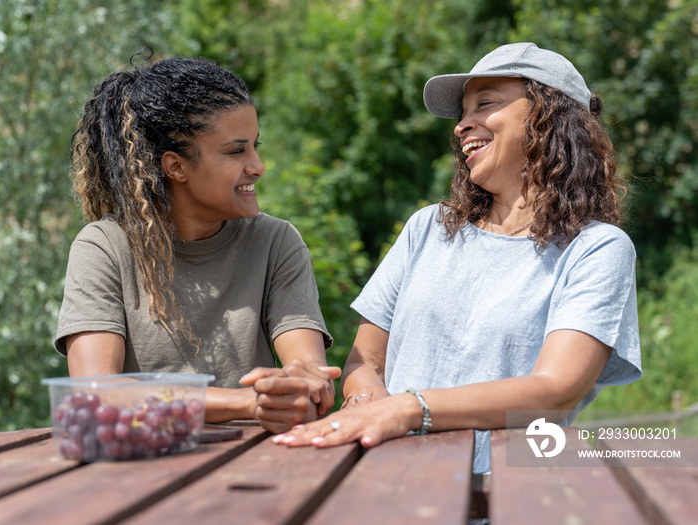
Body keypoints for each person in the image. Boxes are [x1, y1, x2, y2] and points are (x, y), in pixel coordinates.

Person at [271, 42, 642, 473]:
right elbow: (364, 361)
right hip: (385, 482)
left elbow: (554, 390)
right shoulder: (427, 228)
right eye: (463, 113)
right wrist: (365, 405)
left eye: (485, 104)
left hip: (505, 496)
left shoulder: (597, 249)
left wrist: (409, 409)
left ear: (549, 116)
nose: (461, 127)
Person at [54, 53, 340, 433]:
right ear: (176, 167)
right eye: (237, 151)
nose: (258, 166)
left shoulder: (276, 242)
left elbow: (308, 382)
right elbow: (94, 393)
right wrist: (249, 402)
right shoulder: (103, 247)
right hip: (137, 472)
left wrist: (302, 391)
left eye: (256, 146)